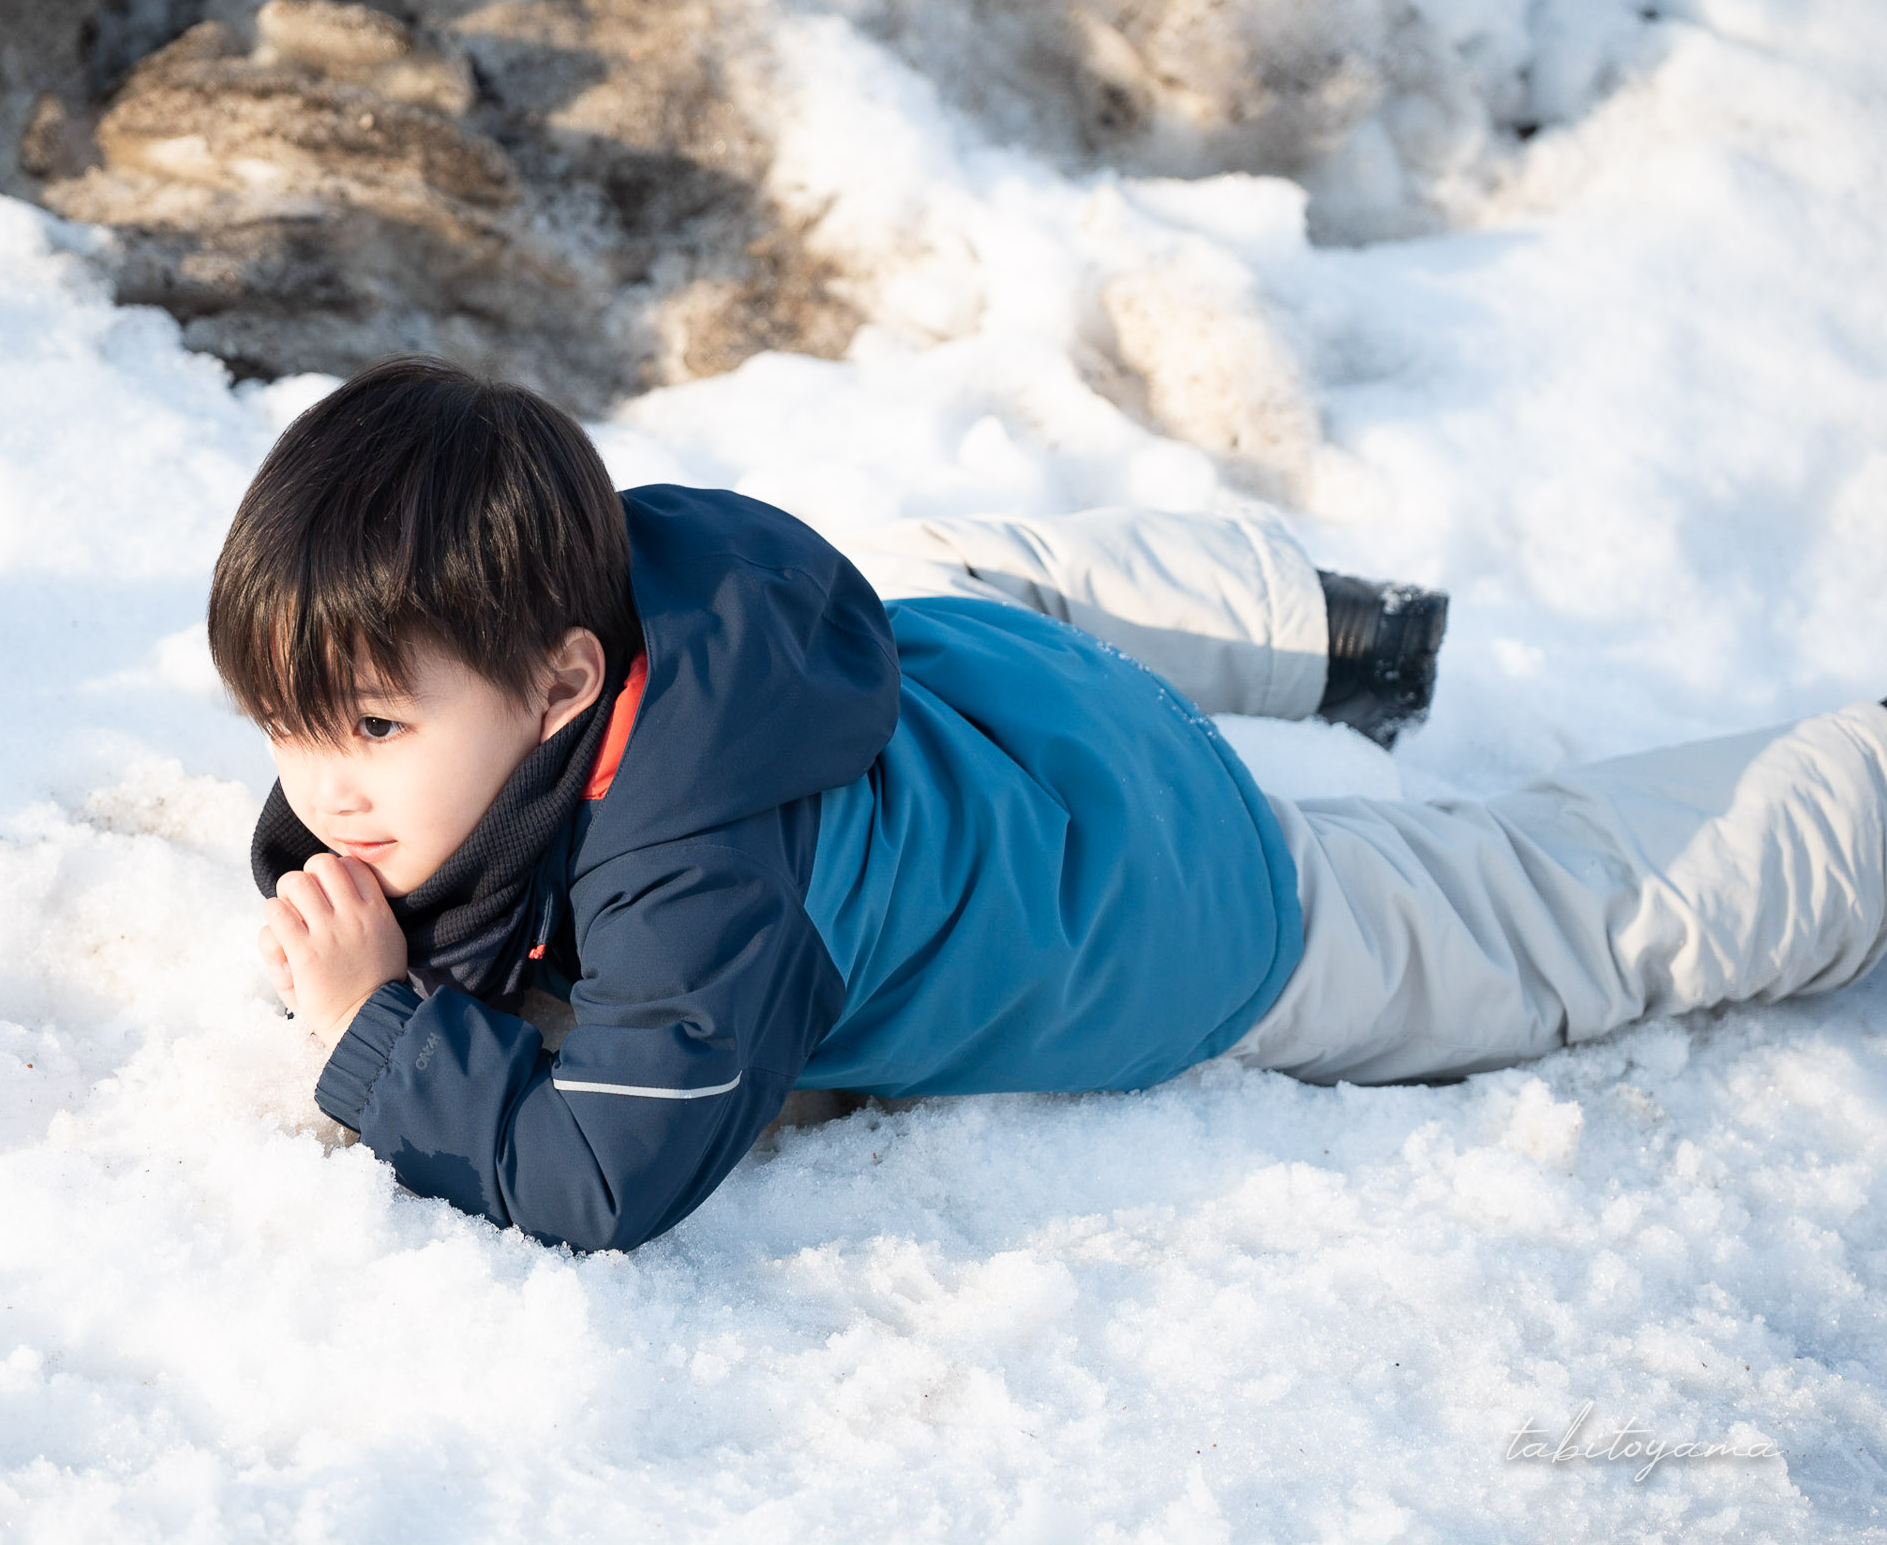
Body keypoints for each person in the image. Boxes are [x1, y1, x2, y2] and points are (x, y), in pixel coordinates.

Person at [208, 357, 1887, 1252]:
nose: (320, 787)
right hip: (964, 673)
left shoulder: (706, 895)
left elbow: (603, 1173)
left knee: (1538, 917)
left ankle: (1860, 787)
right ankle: (1318, 626)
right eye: (285, 725)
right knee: (957, 569)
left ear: (564, 685)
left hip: (1163, 887)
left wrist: (382, 1033)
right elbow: (416, 797)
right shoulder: (636, 587)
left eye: (363, 725)